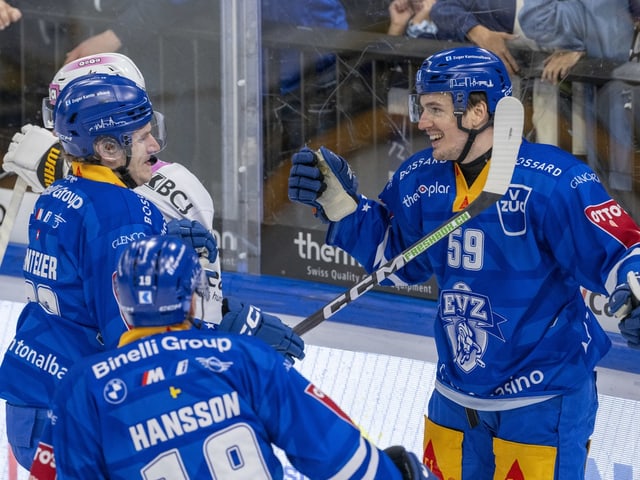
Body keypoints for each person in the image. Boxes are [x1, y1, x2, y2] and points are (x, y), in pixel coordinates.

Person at [288, 46, 640, 479]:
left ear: (477, 111)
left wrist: (635, 289)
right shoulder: (419, 178)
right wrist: (344, 209)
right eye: (422, 107)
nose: (422, 122)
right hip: (455, 395)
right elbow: (398, 263)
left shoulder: (555, 180)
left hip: (542, 399)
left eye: (435, 109)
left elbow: (622, 252)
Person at [28, 235, 429, 480]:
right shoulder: (243, 357)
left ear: (118, 293)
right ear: (192, 296)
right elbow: (339, 456)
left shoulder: (83, 387)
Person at [0, 70, 223, 471]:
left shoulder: (56, 195)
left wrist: (155, 246)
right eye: (141, 138)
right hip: (73, 417)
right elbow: (133, 336)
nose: (154, 146)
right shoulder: (125, 213)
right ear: (106, 147)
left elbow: (83, 282)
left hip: (30, 397)